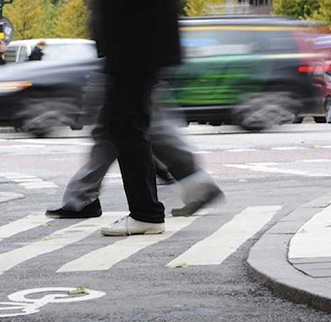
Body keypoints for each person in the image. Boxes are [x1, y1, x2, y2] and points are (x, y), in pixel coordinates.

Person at [88, 0, 181, 236]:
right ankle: (147, 211)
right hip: (139, 46)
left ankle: (147, 213)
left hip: (135, 46)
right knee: (127, 124)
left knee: (125, 125)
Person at [45, 74, 225, 220]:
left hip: (131, 69)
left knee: (145, 129)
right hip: (122, 68)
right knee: (110, 133)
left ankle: (83, 199)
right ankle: (81, 198)